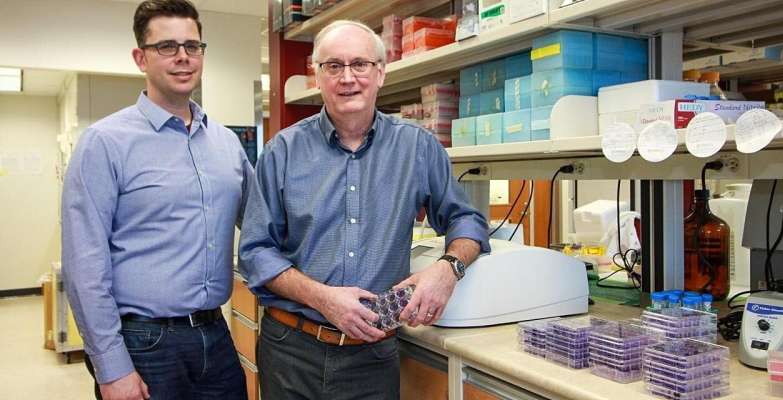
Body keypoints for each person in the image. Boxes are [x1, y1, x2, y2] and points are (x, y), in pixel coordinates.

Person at [239, 20, 490, 399]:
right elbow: (256, 252)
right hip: (292, 349)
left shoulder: (417, 148)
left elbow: (466, 218)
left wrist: (448, 269)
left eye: (360, 64)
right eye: (333, 66)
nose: (348, 78)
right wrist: (322, 297)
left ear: (380, 73)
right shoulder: (282, 151)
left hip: (373, 356)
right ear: (318, 76)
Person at [61, 1, 251, 399]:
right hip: (143, 343)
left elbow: (263, 224)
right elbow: (85, 266)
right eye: (167, 46)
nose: (183, 57)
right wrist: (112, 369)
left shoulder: (226, 143)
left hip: (215, 336)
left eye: (192, 46)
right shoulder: (105, 143)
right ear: (140, 58)